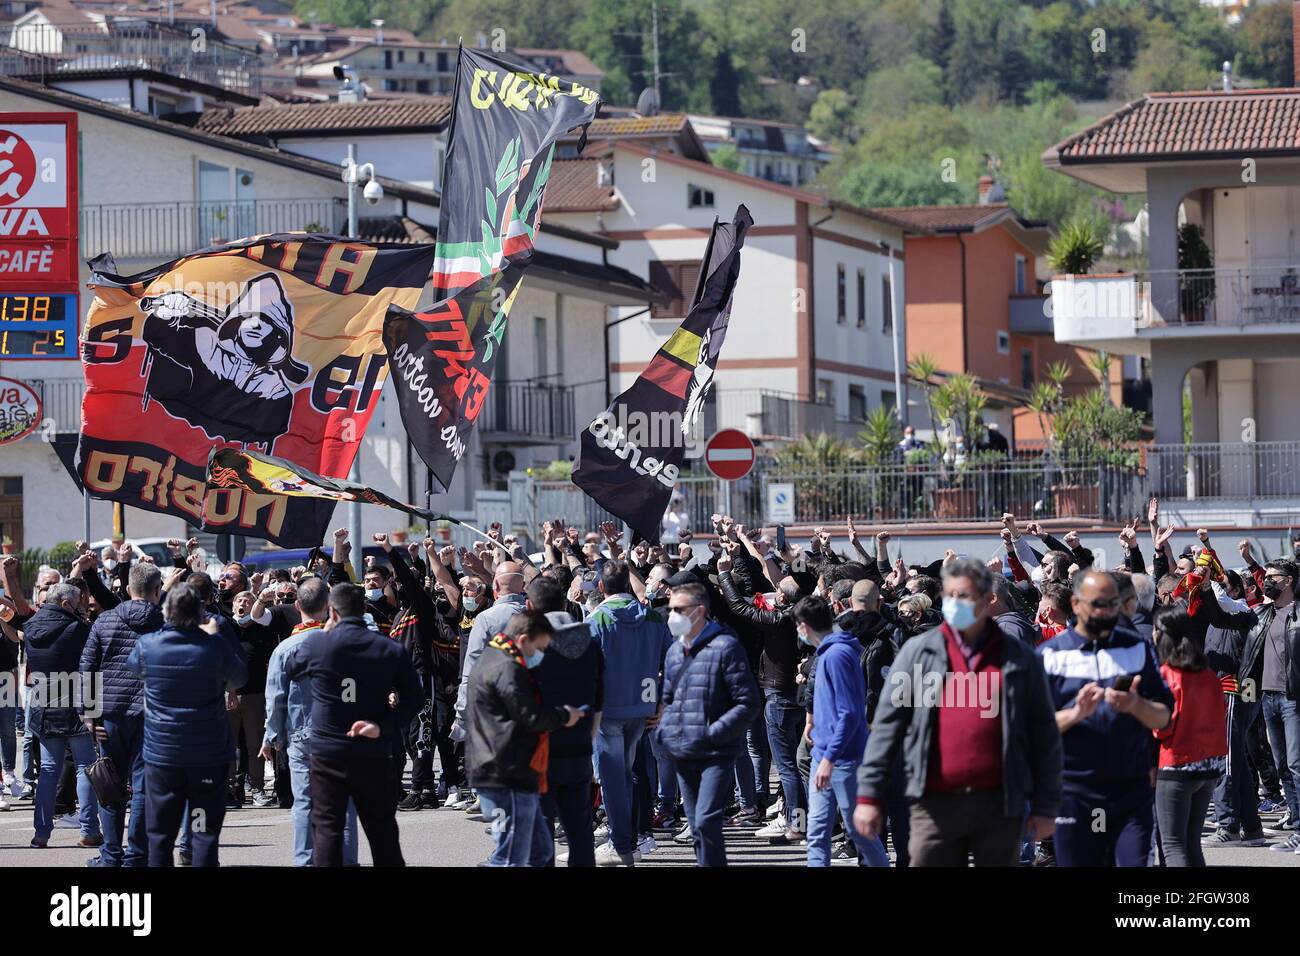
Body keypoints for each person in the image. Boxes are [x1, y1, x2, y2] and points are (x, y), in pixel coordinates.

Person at [855, 559, 1062, 866]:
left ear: (984, 598)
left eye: (963, 596)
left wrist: (1046, 803)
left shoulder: (1017, 657)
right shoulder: (918, 653)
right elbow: (887, 728)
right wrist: (869, 795)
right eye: (950, 596)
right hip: (933, 802)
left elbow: (1043, 732)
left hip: (998, 803)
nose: (955, 605)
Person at [1039, 570, 1173, 867]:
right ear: (1076, 604)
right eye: (1098, 604)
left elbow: (1164, 717)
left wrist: (1137, 705)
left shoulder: (1137, 647)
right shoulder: (1049, 655)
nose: (1106, 612)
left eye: (1113, 604)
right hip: (1073, 792)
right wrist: (1075, 714)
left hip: (1129, 790)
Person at [284, 583, 423, 867]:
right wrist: (383, 726)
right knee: (382, 832)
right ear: (364, 610)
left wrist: (324, 633)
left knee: (327, 830)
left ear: (331, 612)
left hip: (328, 753)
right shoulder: (388, 648)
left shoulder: (317, 644)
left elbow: (292, 668)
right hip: (373, 750)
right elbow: (415, 698)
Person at [127, 583, 248, 866]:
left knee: (160, 833)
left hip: (163, 754)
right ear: (201, 613)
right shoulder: (214, 645)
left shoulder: (149, 645)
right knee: (203, 830)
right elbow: (239, 678)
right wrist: (212, 637)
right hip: (207, 753)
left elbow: (135, 669)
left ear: (166, 612)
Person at [464, 610, 583, 867]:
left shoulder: (494, 657)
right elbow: (530, 715)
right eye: (538, 648)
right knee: (511, 857)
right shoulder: (507, 666)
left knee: (538, 851)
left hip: (506, 766)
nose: (538, 655)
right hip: (505, 771)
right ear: (524, 639)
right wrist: (564, 716)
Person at [653, 582, 759, 867]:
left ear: (699, 611)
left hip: (716, 752)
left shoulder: (726, 647)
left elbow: (747, 703)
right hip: (683, 752)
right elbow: (668, 699)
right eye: (670, 609)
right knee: (697, 826)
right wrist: (665, 733)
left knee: (707, 821)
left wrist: (712, 734)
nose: (672, 615)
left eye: (679, 609)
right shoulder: (675, 651)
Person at [260, 576, 359, 866]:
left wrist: (272, 736)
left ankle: (305, 861)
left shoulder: (286, 648)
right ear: (329, 606)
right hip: (341, 732)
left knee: (304, 802)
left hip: (304, 733)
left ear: (296, 605)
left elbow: (276, 697)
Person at [586, 559, 673, 866]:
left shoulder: (596, 619)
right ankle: (628, 840)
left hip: (607, 710)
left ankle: (621, 843)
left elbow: (586, 671)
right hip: (642, 708)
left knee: (614, 778)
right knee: (625, 775)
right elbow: (673, 661)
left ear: (600, 587)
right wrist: (661, 702)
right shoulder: (652, 618)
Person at [794, 596, 890, 867]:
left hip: (842, 760)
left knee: (860, 833)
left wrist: (829, 758)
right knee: (817, 833)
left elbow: (849, 713)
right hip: (826, 757)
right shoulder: (830, 652)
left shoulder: (837, 655)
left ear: (804, 626)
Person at [79, 562, 163, 867]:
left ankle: (111, 855)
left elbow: (87, 667)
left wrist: (88, 715)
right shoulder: (168, 622)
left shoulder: (105, 621)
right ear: (158, 590)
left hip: (110, 716)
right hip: (153, 717)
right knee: (143, 789)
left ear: (128, 589)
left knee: (110, 785)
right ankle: (137, 855)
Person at [528, 579, 603, 868]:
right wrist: (587, 739)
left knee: (540, 831)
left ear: (530, 607)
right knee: (580, 831)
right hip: (580, 748)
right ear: (564, 604)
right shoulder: (590, 643)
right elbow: (599, 701)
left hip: (539, 751)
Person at [25, 581, 101, 850]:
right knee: (85, 766)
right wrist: (93, 711)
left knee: (47, 770)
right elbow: (91, 669)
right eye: (79, 602)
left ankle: (41, 834)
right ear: (66, 604)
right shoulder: (77, 629)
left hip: (44, 704)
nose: (82, 605)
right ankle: (89, 830)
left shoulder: (31, 626)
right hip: (75, 704)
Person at [1151, 605, 1227, 866]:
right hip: (1209, 765)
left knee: (1173, 845)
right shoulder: (1207, 675)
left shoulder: (1166, 676)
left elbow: (1163, 726)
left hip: (1176, 763)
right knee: (1192, 844)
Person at [1236, 559, 1300, 848]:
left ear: (1288, 581)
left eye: (1273, 577)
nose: (1267, 582)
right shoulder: (1261, 613)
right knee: (1282, 764)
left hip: (1292, 698)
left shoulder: (1297, 614)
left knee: (1297, 764)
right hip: (1267, 696)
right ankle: (1296, 820)